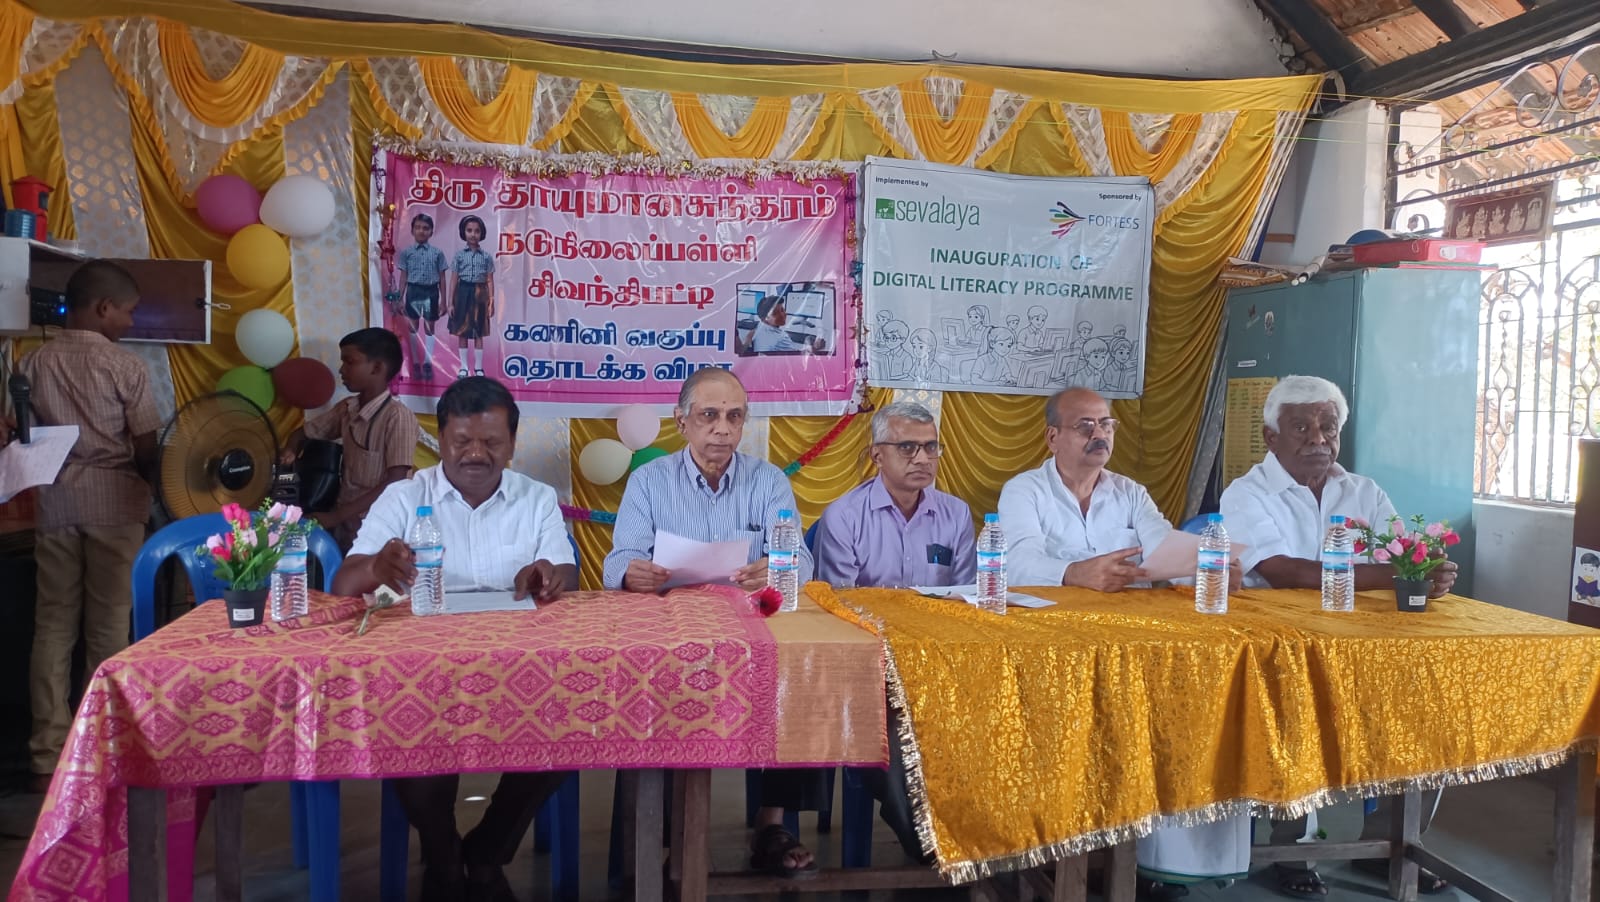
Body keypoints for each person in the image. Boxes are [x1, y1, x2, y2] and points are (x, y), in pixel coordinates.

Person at [333, 377, 577, 902]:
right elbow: (343, 585)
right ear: (440, 440)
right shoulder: (405, 497)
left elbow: (565, 572)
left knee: (572, 723)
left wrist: (548, 574)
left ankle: (487, 852)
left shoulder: (536, 498)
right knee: (410, 731)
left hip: (519, 671)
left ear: (512, 444)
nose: (475, 454)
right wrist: (377, 567)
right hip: (420, 673)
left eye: (491, 442)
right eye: (462, 440)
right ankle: (443, 855)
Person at [1219, 374, 1456, 899]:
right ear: (1271, 437)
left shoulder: (1364, 491)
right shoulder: (1247, 493)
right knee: (1295, 713)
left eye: (1328, 427)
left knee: (1427, 700)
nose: (1318, 439)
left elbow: (1403, 555)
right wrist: (1396, 574)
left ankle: (1389, 843)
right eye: (1301, 427)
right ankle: (1294, 850)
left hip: (1363, 645)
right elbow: (1282, 570)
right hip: (1281, 648)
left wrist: (1427, 571)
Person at [603, 368, 823, 879]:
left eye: (734, 416)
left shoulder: (768, 481)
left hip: (751, 627)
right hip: (671, 631)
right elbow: (620, 559)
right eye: (708, 415)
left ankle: (772, 824)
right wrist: (632, 572)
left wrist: (778, 568)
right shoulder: (649, 480)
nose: (722, 429)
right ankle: (663, 833)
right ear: (682, 422)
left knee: (803, 675)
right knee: (648, 682)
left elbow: (801, 562)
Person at [16, 260, 159, 795]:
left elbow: (22, 432)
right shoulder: (125, 366)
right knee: (108, 629)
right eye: (128, 311)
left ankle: (45, 754)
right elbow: (146, 447)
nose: (130, 322)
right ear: (103, 308)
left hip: (54, 503)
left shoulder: (31, 362)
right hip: (115, 506)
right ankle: (99, 746)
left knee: (52, 626)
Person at [814, 400, 972, 863]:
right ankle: (930, 847)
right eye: (907, 447)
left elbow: (966, 600)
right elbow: (840, 610)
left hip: (940, 661)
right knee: (892, 727)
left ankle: (987, 836)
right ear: (876, 455)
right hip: (871, 665)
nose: (922, 458)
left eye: (931, 447)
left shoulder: (956, 514)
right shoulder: (844, 515)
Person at [997, 388, 1169, 590]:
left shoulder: (1132, 493)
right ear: (1053, 438)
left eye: (1106, 424)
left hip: (1133, 608)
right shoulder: (1023, 491)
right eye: (1085, 426)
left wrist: (1199, 564)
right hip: (1057, 608)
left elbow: (1164, 548)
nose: (1100, 434)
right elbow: (1017, 565)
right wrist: (1073, 573)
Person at [279, 328, 420, 552]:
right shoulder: (347, 408)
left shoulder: (398, 417)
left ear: (377, 368)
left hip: (381, 528)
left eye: (350, 362)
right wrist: (291, 449)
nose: (341, 369)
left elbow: (396, 481)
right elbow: (303, 433)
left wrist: (336, 516)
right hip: (344, 526)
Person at [396, 212, 448, 380]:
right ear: (412, 230)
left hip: (431, 292)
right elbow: (403, 277)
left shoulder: (437, 253)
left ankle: (427, 362)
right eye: (418, 227)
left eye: (425, 228)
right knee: (413, 327)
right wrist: (400, 298)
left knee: (429, 327)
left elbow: (442, 278)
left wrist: (443, 301)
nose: (421, 231)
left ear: (431, 232)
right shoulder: (407, 253)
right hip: (413, 291)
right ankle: (416, 362)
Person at [448, 215, 495, 378]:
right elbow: (454, 280)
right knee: (462, 330)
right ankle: (463, 367)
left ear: (482, 233)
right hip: (463, 292)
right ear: (464, 232)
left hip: (480, 294)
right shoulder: (459, 256)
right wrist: (450, 302)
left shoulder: (486, 257)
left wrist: (491, 301)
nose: (473, 234)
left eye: (477, 231)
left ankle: (479, 368)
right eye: (469, 230)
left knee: (478, 331)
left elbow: (490, 280)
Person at [749, 295, 822, 353]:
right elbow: (796, 358)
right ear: (765, 319)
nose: (782, 315)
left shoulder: (759, 327)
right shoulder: (782, 337)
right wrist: (815, 348)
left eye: (782, 310)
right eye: (775, 313)